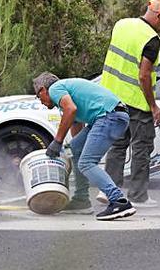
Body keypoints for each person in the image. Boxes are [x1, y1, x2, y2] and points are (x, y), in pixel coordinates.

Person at [101, 0, 160, 207]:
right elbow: (144, 75)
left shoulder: (121, 24)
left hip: (112, 98)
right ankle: (138, 195)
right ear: (158, 16)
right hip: (136, 102)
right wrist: (153, 106)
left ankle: (111, 190)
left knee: (117, 145)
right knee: (141, 148)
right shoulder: (151, 39)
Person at [33, 72, 135, 221]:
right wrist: (70, 151)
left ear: (42, 89)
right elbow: (75, 122)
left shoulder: (55, 88)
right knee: (74, 150)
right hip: (110, 116)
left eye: (38, 96)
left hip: (109, 116)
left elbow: (71, 110)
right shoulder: (65, 93)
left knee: (86, 163)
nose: (40, 101)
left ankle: (118, 200)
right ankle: (81, 200)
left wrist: (57, 141)